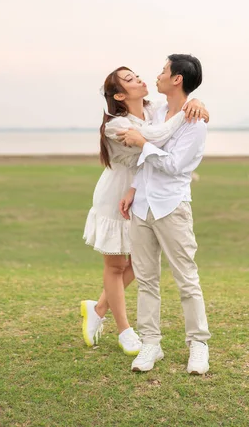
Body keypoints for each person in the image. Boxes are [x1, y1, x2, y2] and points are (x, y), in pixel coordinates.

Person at [81, 66, 209, 356]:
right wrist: (187, 111)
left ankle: (98, 308)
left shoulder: (154, 109)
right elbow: (158, 134)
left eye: (136, 75)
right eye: (130, 80)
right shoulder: (116, 124)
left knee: (140, 266)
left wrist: (195, 103)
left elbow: (171, 113)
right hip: (117, 192)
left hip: (142, 190)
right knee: (116, 266)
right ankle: (125, 330)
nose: (140, 79)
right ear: (119, 95)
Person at [118, 54, 210, 374]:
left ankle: (198, 345)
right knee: (146, 281)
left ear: (177, 80)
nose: (157, 75)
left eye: (163, 71)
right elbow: (143, 162)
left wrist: (143, 142)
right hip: (142, 206)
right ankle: (150, 344)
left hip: (172, 207)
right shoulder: (156, 112)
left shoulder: (194, 122)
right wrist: (132, 188)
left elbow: (173, 166)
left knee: (186, 279)